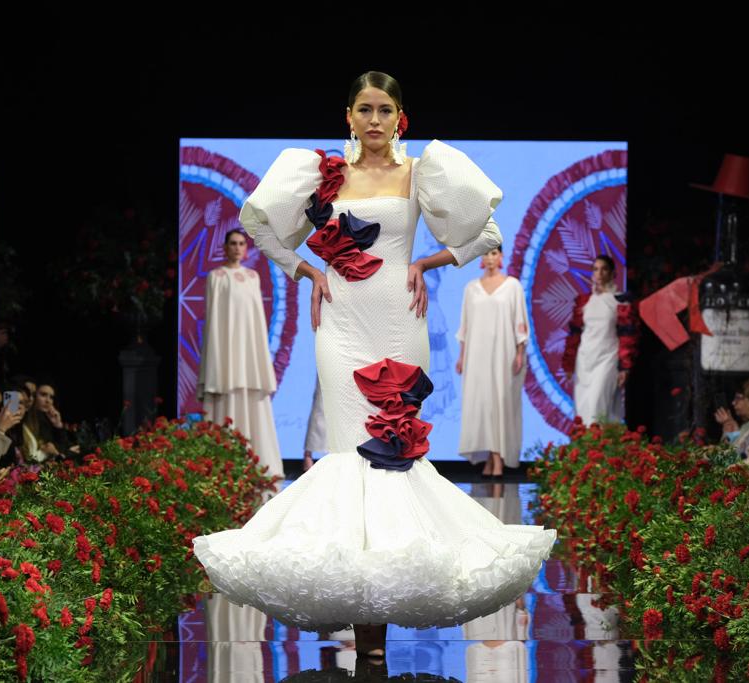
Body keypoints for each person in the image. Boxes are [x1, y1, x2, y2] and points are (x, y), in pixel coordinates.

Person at [193, 71, 555, 658]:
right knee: (347, 453)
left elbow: (484, 231)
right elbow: (259, 223)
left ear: (400, 117)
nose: (375, 120)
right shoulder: (322, 174)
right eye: (365, 109)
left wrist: (426, 264)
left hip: (398, 319)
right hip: (339, 323)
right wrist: (307, 271)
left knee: (393, 458)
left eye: (385, 109)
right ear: (349, 116)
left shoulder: (421, 172)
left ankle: (378, 626)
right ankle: (362, 622)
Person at [195, 228, 284, 481]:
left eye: (241, 243)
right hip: (226, 353)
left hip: (249, 354)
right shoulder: (216, 277)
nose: (237, 247)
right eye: (232, 243)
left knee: (251, 400)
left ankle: (256, 466)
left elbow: (256, 321)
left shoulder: (253, 277)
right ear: (225, 247)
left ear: (247, 248)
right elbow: (214, 323)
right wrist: (216, 364)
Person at [455, 245, 528, 477]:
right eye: (485, 253)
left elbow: (520, 321)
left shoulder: (512, 286)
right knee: (482, 404)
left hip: (503, 353)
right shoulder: (471, 289)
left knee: (500, 402)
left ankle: (498, 458)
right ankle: (489, 456)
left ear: (501, 256)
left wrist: (519, 352)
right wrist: (462, 356)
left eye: (494, 253)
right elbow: (465, 326)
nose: (489, 258)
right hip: (477, 355)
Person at [561, 255, 639, 425]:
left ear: (612, 273)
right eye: (596, 269)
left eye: (604, 269)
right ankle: (587, 450)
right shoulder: (584, 302)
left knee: (599, 406)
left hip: (607, 358)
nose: (600, 273)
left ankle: (600, 447)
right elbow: (575, 334)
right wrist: (568, 363)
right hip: (585, 360)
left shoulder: (620, 301)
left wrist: (625, 366)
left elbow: (627, 335)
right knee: (584, 410)